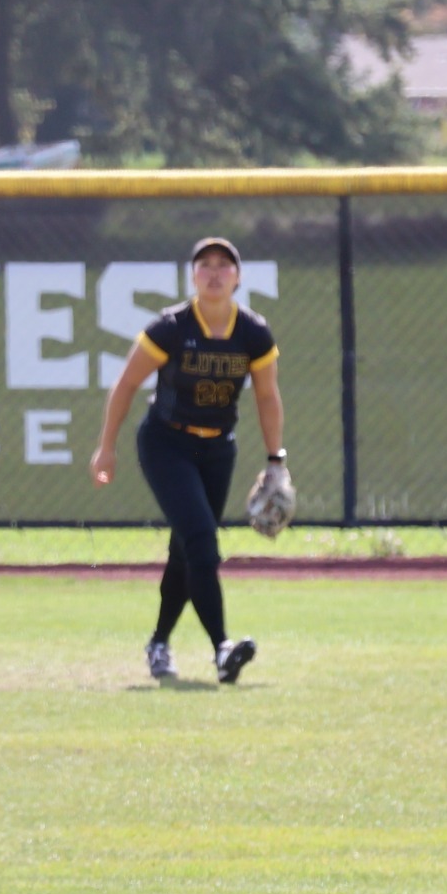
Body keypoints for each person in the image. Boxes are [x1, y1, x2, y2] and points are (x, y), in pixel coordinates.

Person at [89, 236, 284, 685]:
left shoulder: (253, 332)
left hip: (218, 449)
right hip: (166, 443)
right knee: (201, 539)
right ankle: (222, 649)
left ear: (237, 277)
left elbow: (269, 397)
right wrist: (107, 446)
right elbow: (125, 384)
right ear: (193, 276)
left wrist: (276, 460)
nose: (214, 272)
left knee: (187, 547)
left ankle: (159, 643)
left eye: (224, 265)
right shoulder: (172, 327)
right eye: (205, 265)